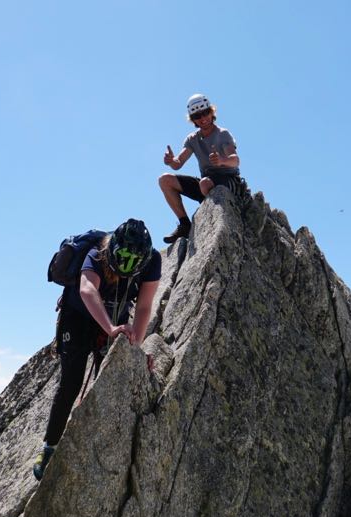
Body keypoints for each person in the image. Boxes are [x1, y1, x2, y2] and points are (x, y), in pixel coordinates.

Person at [33, 219, 162, 480]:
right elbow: (87, 289)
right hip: (78, 316)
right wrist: (111, 328)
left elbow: (145, 306)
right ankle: (49, 448)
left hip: (114, 316)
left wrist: (135, 346)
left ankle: (96, 448)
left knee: (110, 380)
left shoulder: (152, 261)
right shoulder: (96, 253)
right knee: (71, 381)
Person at [159, 93, 243, 244]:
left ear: (212, 112)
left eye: (205, 113)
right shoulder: (192, 139)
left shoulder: (222, 134)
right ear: (193, 120)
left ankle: (217, 215)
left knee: (204, 183)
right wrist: (171, 161)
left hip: (230, 181)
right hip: (207, 183)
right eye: (198, 116)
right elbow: (178, 163)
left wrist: (222, 160)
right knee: (165, 180)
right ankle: (185, 225)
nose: (203, 118)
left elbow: (235, 160)